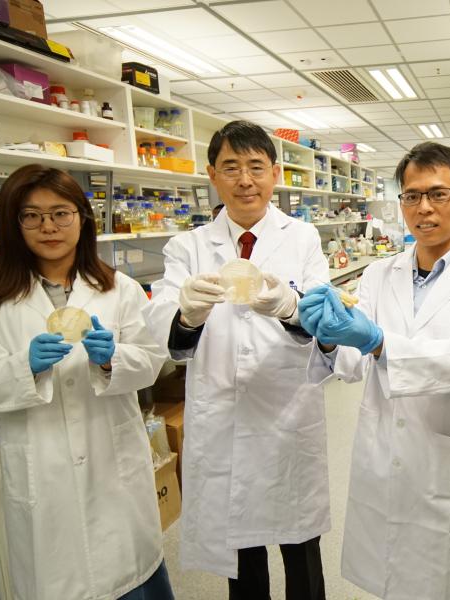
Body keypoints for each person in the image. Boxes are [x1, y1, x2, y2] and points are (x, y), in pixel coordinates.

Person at [299, 142, 450, 600]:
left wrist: (380, 341)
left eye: (438, 194)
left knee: (444, 584)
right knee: (391, 578)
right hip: (383, 455)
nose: (424, 208)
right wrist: (328, 336)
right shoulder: (379, 275)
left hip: (445, 462)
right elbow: (354, 366)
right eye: (412, 196)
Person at [0, 165, 171, 600]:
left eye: (61, 213)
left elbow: (151, 362)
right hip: (43, 476)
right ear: (14, 224)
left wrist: (113, 362)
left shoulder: (117, 288)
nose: (48, 226)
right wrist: (22, 367)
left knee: (131, 578)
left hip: (114, 470)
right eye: (31, 216)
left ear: (82, 218)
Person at [143, 120, 330, 600]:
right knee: (242, 558)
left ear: (274, 173)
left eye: (255, 167)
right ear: (212, 174)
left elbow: (322, 320)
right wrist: (187, 313)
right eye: (231, 167)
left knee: (301, 549)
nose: (245, 180)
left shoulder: (303, 238)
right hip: (223, 414)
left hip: (288, 410)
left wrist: (290, 308)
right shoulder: (187, 247)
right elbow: (168, 335)